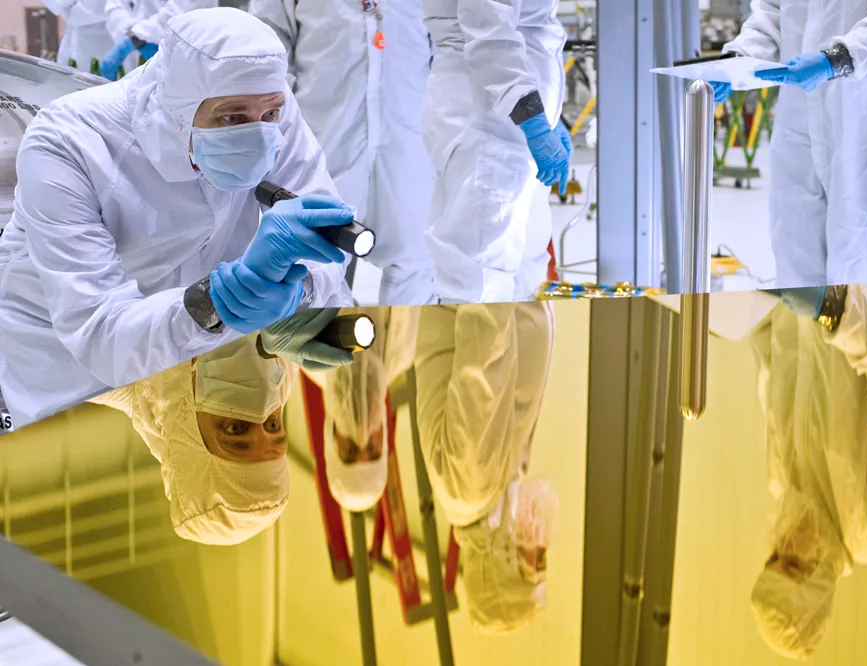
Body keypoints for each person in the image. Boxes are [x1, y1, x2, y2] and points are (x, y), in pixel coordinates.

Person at [0, 8, 356, 433]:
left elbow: (325, 242)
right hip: (63, 361)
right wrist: (218, 300)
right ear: (177, 108)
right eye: (231, 119)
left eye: (270, 116)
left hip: (188, 348)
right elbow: (99, 330)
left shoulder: (266, 103)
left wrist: (299, 295)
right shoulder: (68, 144)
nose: (259, 134)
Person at [747, 285, 867, 657]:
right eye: (793, 564)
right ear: (820, 586)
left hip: (793, 260)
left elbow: (768, 351)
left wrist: (757, 290)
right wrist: (835, 308)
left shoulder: (782, 479)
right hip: (865, 267)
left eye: (772, 558)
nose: (783, 546)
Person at [713, 0, 867, 290]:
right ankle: (804, 335)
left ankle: (861, 336)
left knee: (866, 261)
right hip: (798, 121)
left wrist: (839, 58)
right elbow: (771, 13)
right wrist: (738, 59)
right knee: (795, 253)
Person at [250, 0, 437, 306]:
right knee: (314, 262)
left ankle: (403, 353)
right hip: (321, 142)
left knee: (415, 262)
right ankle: (325, 350)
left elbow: (445, 47)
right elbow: (268, 51)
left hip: (407, 142)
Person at [89, 330, 349, 545]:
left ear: (187, 438)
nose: (260, 405)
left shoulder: (101, 361)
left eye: (235, 429)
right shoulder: (286, 363)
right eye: (272, 425)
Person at [414, 302, 559, 632]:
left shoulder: (472, 487)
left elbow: (485, 339)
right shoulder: (495, 493)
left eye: (534, 560)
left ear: (501, 566)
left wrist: (510, 253)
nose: (541, 543)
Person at [422, 0, 571, 303]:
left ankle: (514, 351)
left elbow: (529, 28)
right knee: (480, 279)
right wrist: (535, 121)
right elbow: (489, 35)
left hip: (511, 126)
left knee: (526, 269)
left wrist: (549, 118)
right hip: (490, 125)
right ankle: (476, 352)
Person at [309, 306, 419, 511]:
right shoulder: (404, 350)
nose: (363, 434)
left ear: (332, 438)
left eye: (350, 450)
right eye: (373, 449)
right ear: (383, 437)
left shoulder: (302, 349)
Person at [99, 0, 217, 80]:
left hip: (183, 50)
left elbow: (180, 9)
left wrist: (137, 36)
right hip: (136, 47)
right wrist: (130, 31)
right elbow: (115, 5)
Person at [42, 0, 115, 72]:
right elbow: (56, 5)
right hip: (71, 54)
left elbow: (97, 8)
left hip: (108, 53)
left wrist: (69, 11)